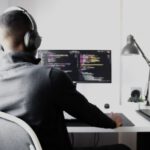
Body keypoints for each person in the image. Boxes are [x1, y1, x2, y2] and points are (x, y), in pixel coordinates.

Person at [0, 6, 130, 150]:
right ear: (33, 40)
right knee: (123, 148)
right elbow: (88, 113)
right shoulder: (50, 77)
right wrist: (112, 121)